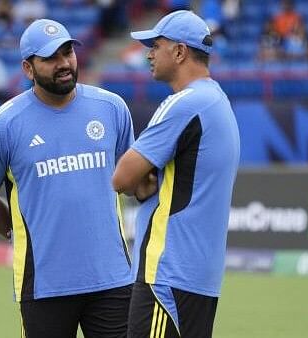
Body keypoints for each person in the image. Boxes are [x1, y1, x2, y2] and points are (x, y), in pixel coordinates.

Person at [0, 18, 135, 338]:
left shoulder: (112, 108)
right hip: (44, 285)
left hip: (112, 279)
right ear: (28, 68)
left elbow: (133, 178)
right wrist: (13, 230)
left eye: (68, 52)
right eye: (50, 58)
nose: (64, 64)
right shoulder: (2, 125)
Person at [112, 10, 240, 338]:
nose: (149, 54)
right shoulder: (218, 102)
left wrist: (140, 179)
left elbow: (122, 178)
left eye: (156, 45)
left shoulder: (183, 104)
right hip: (199, 278)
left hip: (168, 274)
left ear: (180, 52)